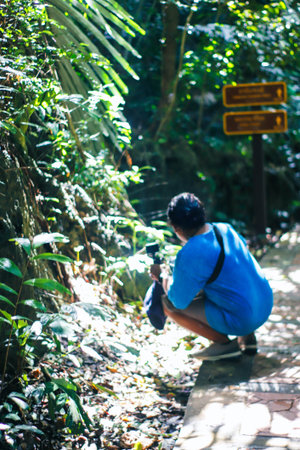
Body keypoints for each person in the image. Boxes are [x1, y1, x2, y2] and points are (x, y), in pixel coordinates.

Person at [150, 192, 273, 361]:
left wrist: (163, 274)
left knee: (167, 305)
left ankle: (225, 345)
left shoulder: (190, 253)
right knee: (230, 283)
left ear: (176, 228)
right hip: (265, 304)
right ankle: (248, 338)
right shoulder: (225, 228)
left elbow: (177, 301)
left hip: (246, 318)